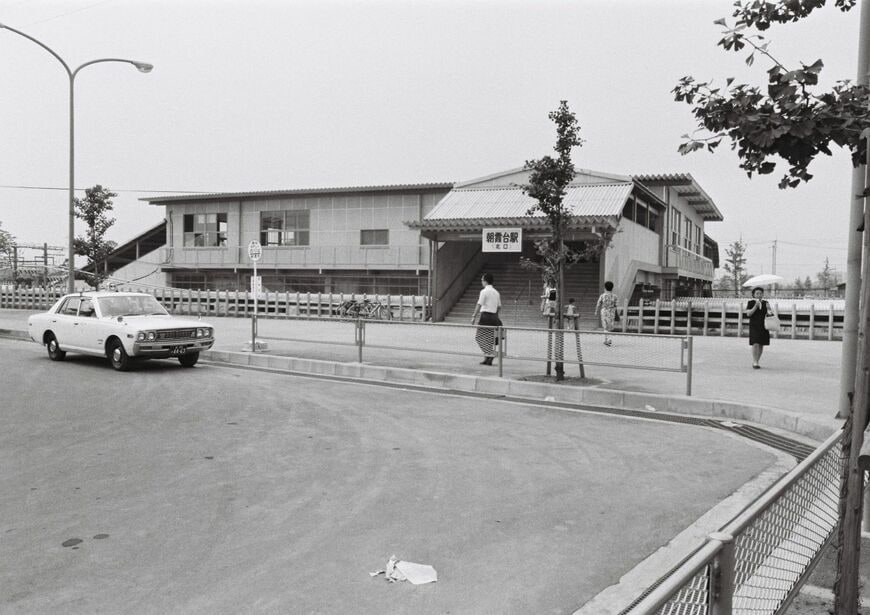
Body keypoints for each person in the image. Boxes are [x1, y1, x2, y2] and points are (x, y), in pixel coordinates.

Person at [471, 273, 502, 365]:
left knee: (479, 337)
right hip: (494, 316)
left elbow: (479, 304)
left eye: (482, 280)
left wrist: (474, 316)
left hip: (485, 316)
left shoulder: (484, 291)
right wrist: (495, 314)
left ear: (485, 281)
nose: (481, 282)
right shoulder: (496, 292)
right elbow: (499, 306)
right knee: (489, 338)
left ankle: (490, 354)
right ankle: (487, 358)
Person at [746, 286, 772, 369]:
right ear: (753, 295)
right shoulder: (750, 302)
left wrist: (769, 309)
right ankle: (754, 361)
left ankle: (757, 360)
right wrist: (755, 306)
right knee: (755, 343)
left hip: (764, 325)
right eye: (757, 293)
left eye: (760, 293)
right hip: (754, 325)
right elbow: (748, 314)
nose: (759, 295)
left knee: (761, 344)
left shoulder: (766, 302)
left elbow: (770, 315)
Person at [594, 281, 618, 346]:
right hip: (612, 311)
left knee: (605, 326)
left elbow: (598, 304)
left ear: (605, 288)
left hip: (604, 311)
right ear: (612, 288)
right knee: (610, 326)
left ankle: (607, 339)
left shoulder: (602, 295)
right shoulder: (615, 296)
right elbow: (616, 305)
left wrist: (596, 311)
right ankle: (607, 339)